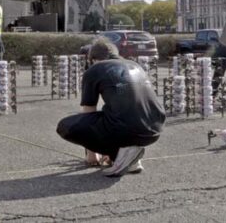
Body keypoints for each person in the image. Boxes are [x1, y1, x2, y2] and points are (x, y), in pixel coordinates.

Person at [56, 39, 165, 177]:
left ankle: (122, 153)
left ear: (93, 59)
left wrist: (92, 154)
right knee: (112, 114)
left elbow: (88, 112)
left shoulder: (94, 70)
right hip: (154, 129)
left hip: (128, 130)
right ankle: (125, 156)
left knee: (65, 126)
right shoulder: (135, 65)